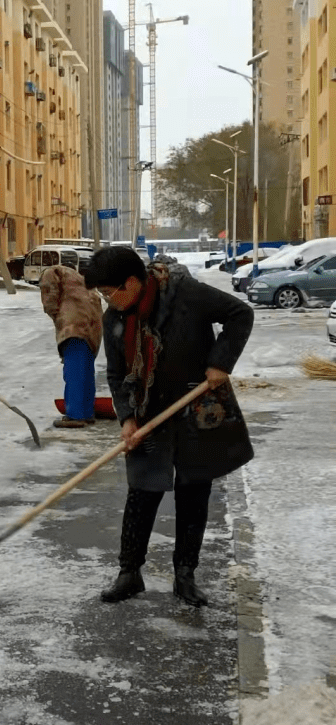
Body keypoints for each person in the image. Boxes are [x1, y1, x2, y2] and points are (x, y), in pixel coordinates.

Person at [87, 247, 254, 607]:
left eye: (109, 292)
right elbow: (117, 374)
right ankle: (129, 573)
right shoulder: (114, 319)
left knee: (194, 493)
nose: (107, 300)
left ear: (131, 282)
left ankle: (185, 576)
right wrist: (128, 418)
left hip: (196, 408)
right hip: (149, 413)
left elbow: (240, 314)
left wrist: (220, 362)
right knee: (142, 492)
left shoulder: (185, 294)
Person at [39, 265, 103, 428]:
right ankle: (87, 412)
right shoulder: (78, 280)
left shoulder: (50, 272)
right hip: (92, 326)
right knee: (86, 370)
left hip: (74, 326)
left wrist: (56, 316)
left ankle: (75, 415)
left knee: (74, 371)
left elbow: (49, 297)